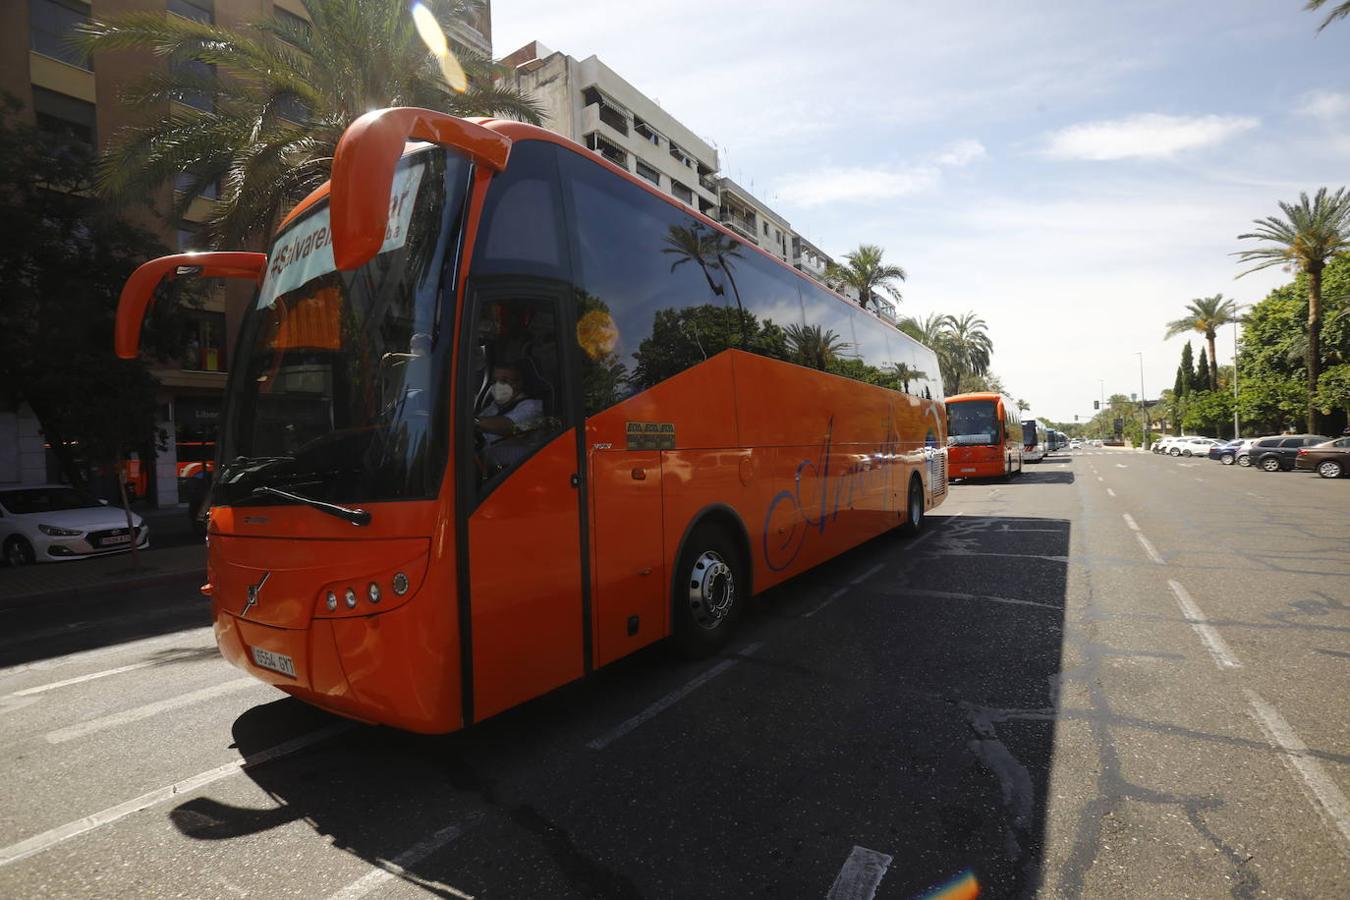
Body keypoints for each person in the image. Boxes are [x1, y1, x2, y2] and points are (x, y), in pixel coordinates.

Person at [475, 361, 543, 471]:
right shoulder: (494, 406)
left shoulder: (532, 407)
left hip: (518, 470)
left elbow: (509, 426)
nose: (497, 385)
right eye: (495, 380)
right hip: (488, 466)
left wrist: (471, 422)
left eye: (504, 381)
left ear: (518, 383)